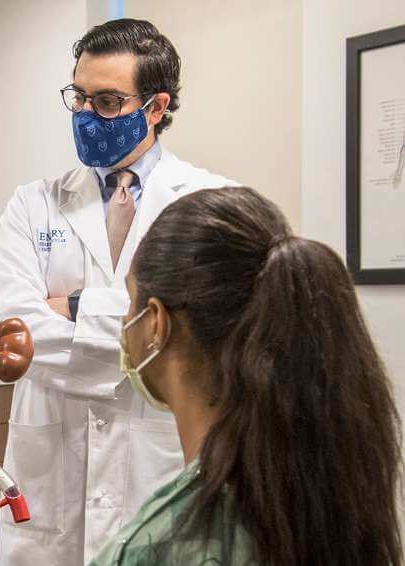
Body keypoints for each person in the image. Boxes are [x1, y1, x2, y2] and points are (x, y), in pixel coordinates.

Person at [0, 19, 236, 565]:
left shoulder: (209, 201)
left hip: (157, 459)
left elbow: (201, 333)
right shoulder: (34, 204)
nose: (85, 115)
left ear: (154, 106)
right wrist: (145, 322)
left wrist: (73, 307)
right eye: (78, 97)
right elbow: (13, 327)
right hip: (52, 472)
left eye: (106, 102)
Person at [91, 186, 402, 565]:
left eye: (130, 300)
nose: (125, 321)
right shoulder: (331, 495)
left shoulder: (149, 549)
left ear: (156, 323)